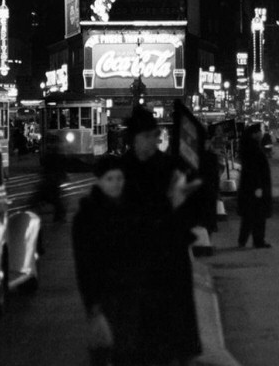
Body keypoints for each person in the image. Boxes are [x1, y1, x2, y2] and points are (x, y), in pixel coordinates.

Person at [120, 106, 205, 365]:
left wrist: (187, 198)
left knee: (170, 340)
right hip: (137, 269)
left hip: (168, 264)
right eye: (145, 136)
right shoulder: (121, 172)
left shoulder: (169, 166)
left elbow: (192, 210)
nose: (151, 142)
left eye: (153, 136)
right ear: (132, 139)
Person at [72, 154, 141, 366]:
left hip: (131, 293)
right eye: (110, 179)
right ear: (100, 181)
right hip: (104, 296)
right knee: (105, 351)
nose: (115, 184)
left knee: (129, 351)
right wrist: (92, 303)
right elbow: (83, 263)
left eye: (119, 178)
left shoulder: (132, 211)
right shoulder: (86, 216)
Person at [237, 122, 273, 248]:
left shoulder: (250, 147)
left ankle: (243, 239)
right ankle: (258, 240)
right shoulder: (253, 149)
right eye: (260, 131)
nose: (262, 133)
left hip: (251, 188)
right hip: (255, 188)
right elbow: (254, 170)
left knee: (249, 215)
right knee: (258, 215)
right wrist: (258, 187)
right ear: (254, 134)